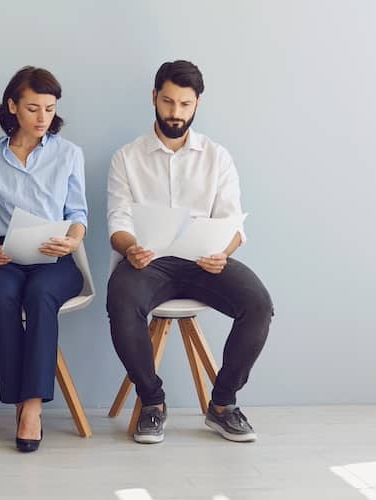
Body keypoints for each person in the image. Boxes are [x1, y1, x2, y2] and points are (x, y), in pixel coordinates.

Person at [106, 60, 274, 444]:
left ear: (197, 103)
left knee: (259, 305)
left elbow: (234, 224)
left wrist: (223, 252)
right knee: (121, 300)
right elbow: (118, 222)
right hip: (148, 264)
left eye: (184, 104)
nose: (175, 113)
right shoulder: (126, 158)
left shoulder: (217, 157)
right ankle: (152, 403)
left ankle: (223, 405)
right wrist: (131, 249)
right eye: (167, 102)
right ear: (154, 98)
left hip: (204, 262)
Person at [0, 66, 87, 452]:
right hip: (5, 254)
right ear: (12, 106)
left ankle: (31, 407)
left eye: (50, 109)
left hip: (55, 257)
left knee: (39, 297)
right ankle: (20, 401)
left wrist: (72, 242)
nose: (42, 118)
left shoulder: (69, 154)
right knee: (0, 295)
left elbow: (78, 214)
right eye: (33, 108)